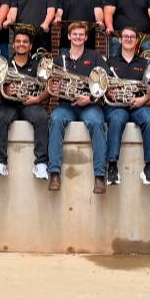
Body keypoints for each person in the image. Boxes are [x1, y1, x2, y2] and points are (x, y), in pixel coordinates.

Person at [48, 22, 109, 193]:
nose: (78, 37)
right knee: (55, 119)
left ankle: (99, 176)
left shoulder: (95, 57)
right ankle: (54, 173)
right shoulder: (60, 60)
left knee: (97, 123)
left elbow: (105, 83)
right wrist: (54, 88)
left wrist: (89, 98)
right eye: (75, 34)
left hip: (89, 105)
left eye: (81, 34)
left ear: (86, 37)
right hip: (66, 106)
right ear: (68, 36)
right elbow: (52, 84)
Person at [0, 30, 50, 179]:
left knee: (42, 117)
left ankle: (41, 164)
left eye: (25, 42)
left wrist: (37, 99)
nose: (21, 44)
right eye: (18, 41)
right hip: (8, 104)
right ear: (13, 44)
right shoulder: (4, 64)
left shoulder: (38, 65)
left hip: (30, 103)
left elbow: (49, 88)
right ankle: (0, 163)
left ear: (30, 46)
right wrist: (4, 89)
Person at [104, 26, 150, 187]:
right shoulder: (110, 62)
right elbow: (103, 87)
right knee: (115, 120)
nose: (128, 39)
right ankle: (112, 166)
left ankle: (149, 167)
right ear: (120, 40)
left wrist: (145, 98)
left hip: (139, 105)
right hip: (117, 106)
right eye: (125, 36)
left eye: (132, 37)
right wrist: (109, 94)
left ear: (137, 41)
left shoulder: (145, 63)